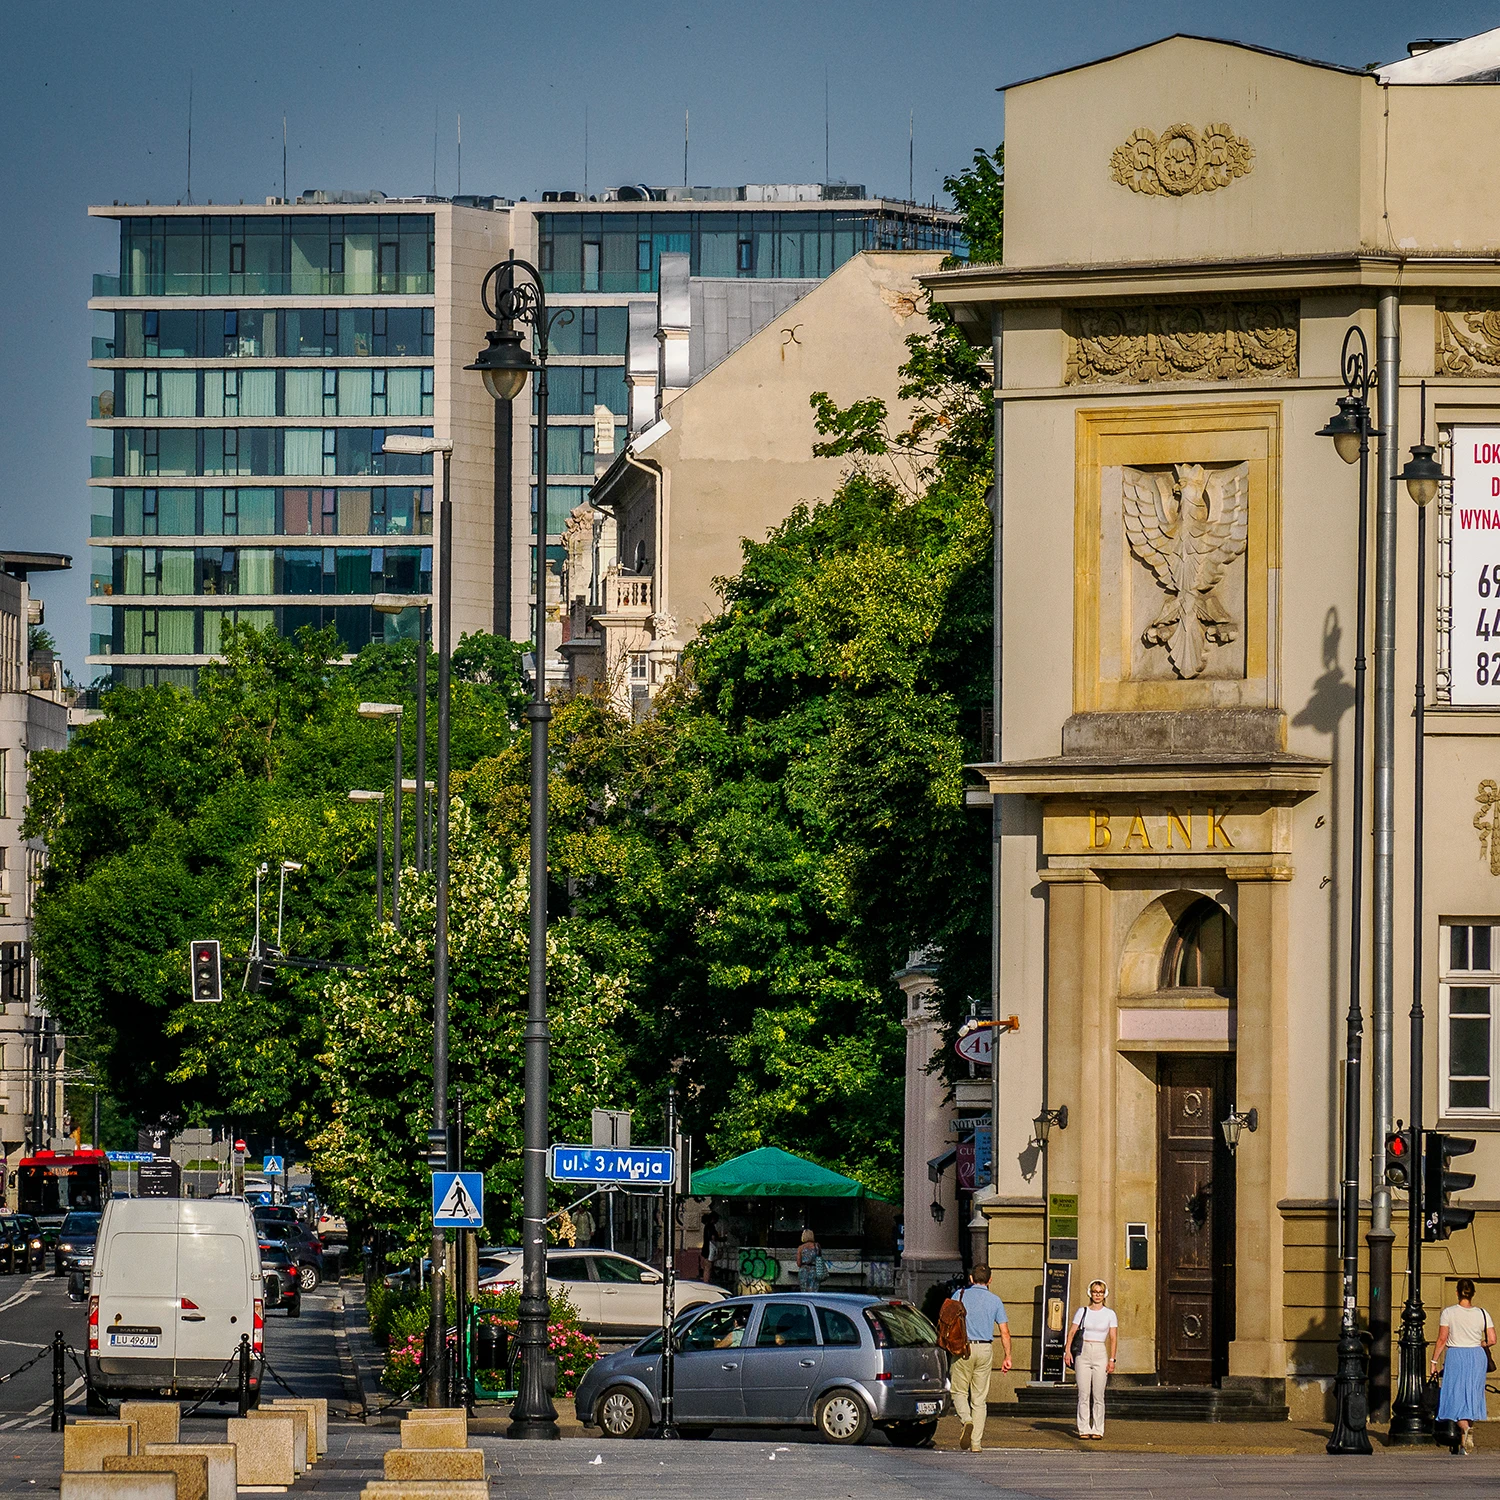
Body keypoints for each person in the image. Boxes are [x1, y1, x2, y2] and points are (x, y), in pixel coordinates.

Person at [948, 1265, 1012, 1454]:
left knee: (959, 1391)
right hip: (985, 1348)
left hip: (962, 1348)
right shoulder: (996, 1301)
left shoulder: (958, 1296)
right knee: (979, 1399)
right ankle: (976, 1443)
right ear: (990, 1280)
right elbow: (1004, 1332)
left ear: (970, 1278)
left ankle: (966, 1419)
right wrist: (1007, 1356)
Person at [1432, 1277, 1496, 1454]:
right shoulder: (1483, 1313)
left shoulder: (1449, 1312)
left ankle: (1465, 1430)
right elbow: (1492, 1340)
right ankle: (1463, 1444)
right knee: (1471, 1397)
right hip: (1476, 1357)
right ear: (1472, 1293)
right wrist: (1481, 1344)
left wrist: (1433, 1361)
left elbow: (1442, 1339)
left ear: (1457, 1293)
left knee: (1455, 1399)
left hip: (1456, 1356)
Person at [1065, 1279, 1119, 1439]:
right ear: (1090, 1293)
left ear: (1104, 1294)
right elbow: (1072, 1332)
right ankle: (1083, 1428)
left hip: (1100, 1352)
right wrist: (1067, 1351)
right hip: (1083, 1351)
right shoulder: (1082, 1311)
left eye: (1100, 1292)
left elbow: (1113, 1337)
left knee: (1098, 1394)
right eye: (1095, 1292)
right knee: (1083, 1392)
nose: (1098, 1295)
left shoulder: (1110, 1314)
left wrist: (1112, 1359)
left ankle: (1097, 1429)